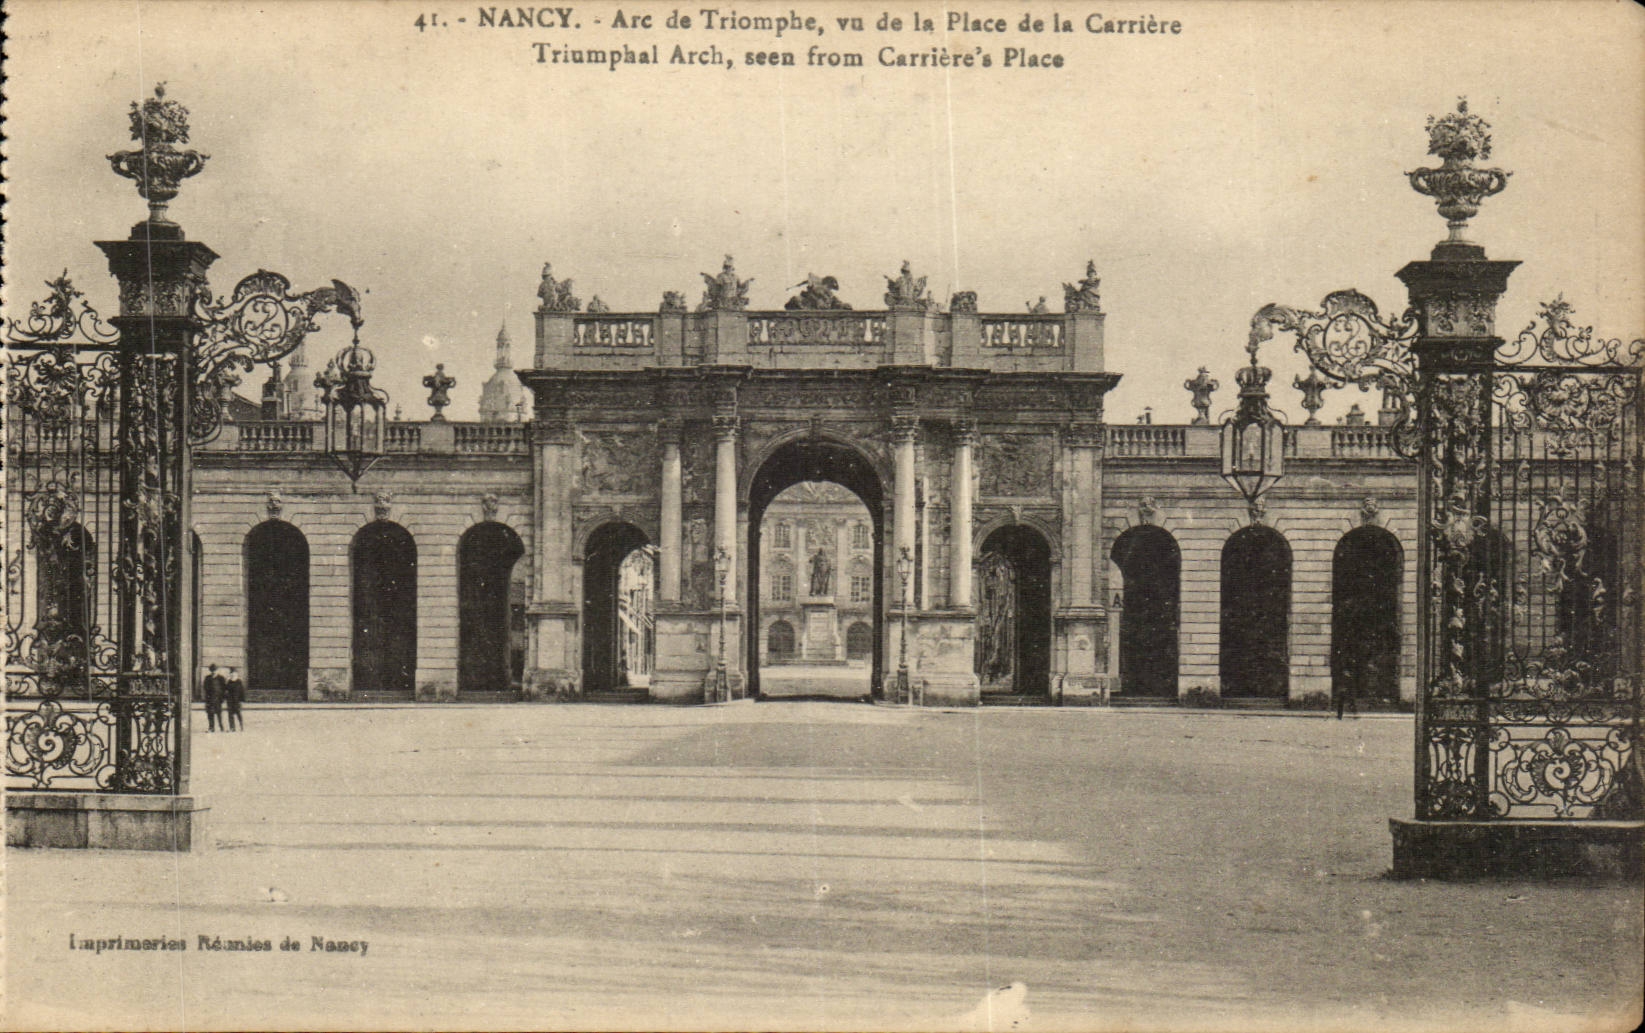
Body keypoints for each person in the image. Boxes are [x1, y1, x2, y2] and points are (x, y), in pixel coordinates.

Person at [202, 664, 225, 732]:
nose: (214, 672)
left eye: (215, 670)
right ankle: (211, 727)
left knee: (219, 714)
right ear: (210, 671)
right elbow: (205, 688)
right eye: (212, 670)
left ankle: (221, 727)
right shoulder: (207, 678)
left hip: (218, 699)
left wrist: (222, 698)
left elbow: (224, 688)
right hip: (210, 699)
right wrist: (207, 699)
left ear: (217, 670)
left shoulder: (221, 678)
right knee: (210, 714)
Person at [224, 667, 246, 731]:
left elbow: (242, 692)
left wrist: (242, 701)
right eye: (231, 673)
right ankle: (232, 727)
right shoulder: (229, 682)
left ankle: (241, 726)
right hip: (230, 701)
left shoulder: (239, 682)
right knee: (230, 714)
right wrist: (226, 698)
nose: (232, 675)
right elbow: (226, 691)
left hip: (237, 701)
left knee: (238, 713)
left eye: (234, 673)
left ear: (236, 674)